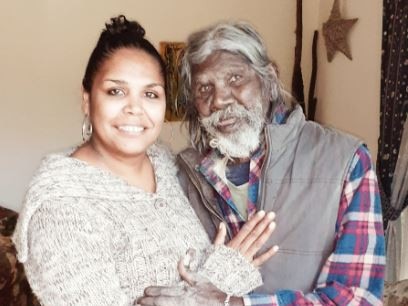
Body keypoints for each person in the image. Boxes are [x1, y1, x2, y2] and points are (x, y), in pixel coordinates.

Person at [12, 16, 279, 306]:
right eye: (116, 91)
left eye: (150, 94)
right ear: (87, 99)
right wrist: (223, 279)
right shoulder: (60, 208)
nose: (134, 109)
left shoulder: (165, 165)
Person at [138, 21, 386, 305]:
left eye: (234, 79)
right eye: (204, 87)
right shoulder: (181, 175)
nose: (218, 100)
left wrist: (236, 304)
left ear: (268, 81)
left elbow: (358, 298)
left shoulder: (345, 161)